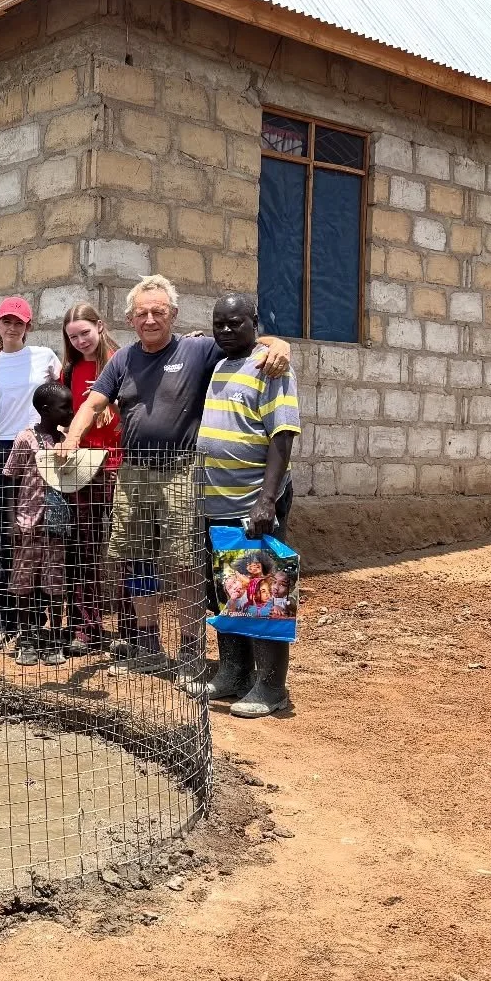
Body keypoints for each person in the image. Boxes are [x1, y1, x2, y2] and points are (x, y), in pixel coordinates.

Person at [60, 275, 291, 679]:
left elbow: (248, 339)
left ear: (174, 315)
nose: (150, 319)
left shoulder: (197, 348)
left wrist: (280, 344)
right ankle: (148, 645)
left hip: (182, 472)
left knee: (186, 566)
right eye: (142, 313)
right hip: (133, 475)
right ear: (130, 319)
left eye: (159, 312)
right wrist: (73, 438)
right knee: (138, 563)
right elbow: (94, 403)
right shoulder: (123, 359)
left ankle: (190, 652)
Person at [190, 294, 301, 718]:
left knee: (264, 595)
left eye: (234, 323)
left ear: (255, 322)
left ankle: (272, 687)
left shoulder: (271, 366)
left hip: (253, 502)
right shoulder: (220, 364)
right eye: (218, 323)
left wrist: (266, 500)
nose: (225, 330)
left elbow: (282, 436)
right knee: (228, 592)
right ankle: (234, 673)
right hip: (216, 503)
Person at [0, 297, 61, 649]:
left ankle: (33, 620)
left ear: (29, 326)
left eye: (19, 322)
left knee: (36, 533)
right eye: (6, 322)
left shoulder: (44, 357)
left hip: (39, 447)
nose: (12, 328)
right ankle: (0, 619)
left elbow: (62, 393)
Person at [59, 301, 126, 657]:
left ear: (99, 326)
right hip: (83, 469)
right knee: (84, 550)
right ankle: (87, 627)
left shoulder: (123, 362)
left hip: (119, 467)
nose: (81, 341)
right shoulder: (70, 370)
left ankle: (132, 630)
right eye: (73, 337)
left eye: (85, 333)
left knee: (126, 550)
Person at [4, 382, 75, 668]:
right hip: (27, 524)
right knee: (24, 584)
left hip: (55, 527)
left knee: (54, 584)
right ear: (45, 410)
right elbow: (12, 480)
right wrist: (12, 520)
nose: (70, 411)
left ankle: (55, 637)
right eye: (65, 407)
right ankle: (27, 638)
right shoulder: (26, 438)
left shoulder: (65, 442)